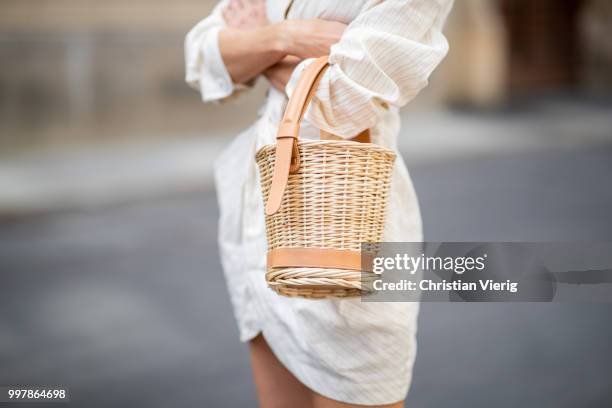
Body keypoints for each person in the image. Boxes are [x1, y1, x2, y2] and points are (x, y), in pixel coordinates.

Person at [185, 1, 453, 406]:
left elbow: (347, 96)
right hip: (262, 230)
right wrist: (286, 38)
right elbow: (203, 56)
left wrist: (257, 52)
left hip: (346, 233)